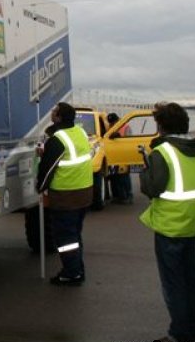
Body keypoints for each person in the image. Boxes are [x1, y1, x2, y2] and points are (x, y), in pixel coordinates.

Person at [139, 102, 195, 342]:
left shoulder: (163, 153)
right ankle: (193, 331)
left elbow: (151, 188)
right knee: (190, 280)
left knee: (173, 284)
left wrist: (144, 170)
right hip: (191, 223)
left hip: (169, 225)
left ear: (161, 126)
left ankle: (180, 336)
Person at [36, 102, 93, 286]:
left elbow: (48, 169)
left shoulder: (57, 139)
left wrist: (40, 187)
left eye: (54, 111)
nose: (51, 113)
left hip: (66, 196)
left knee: (66, 237)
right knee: (75, 234)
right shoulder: (80, 133)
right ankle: (77, 269)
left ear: (59, 117)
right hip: (85, 192)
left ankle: (71, 273)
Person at [106, 112, 134, 204]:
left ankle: (128, 196)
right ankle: (119, 196)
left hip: (124, 155)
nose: (112, 124)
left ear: (118, 120)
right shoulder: (110, 127)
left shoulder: (126, 127)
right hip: (113, 155)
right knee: (115, 177)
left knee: (124, 175)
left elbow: (130, 140)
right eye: (111, 123)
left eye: (113, 122)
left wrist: (120, 137)